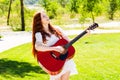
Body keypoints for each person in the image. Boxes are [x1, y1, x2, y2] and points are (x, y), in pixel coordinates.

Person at [32, 11, 78, 80]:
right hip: (54, 63)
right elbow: (38, 46)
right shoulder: (39, 34)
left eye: (46, 15)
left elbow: (69, 41)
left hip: (64, 60)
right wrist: (55, 48)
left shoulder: (57, 29)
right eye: (43, 16)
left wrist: (84, 34)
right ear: (39, 21)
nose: (47, 17)